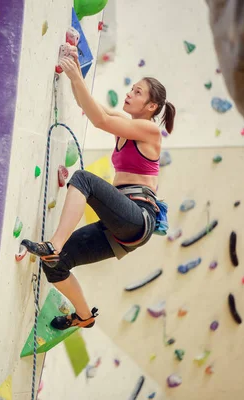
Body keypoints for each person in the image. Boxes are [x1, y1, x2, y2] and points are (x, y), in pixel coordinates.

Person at [21, 47, 176, 330]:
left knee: (83, 179)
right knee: (55, 265)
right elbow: (93, 107)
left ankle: (54, 243)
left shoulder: (149, 131)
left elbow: (100, 120)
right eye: (132, 89)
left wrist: (74, 75)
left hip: (138, 218)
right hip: (118, 227)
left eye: (138, 92)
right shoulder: (126, 126)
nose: (130, 93)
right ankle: (84, 317)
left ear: (152, 107)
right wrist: (74, 71)